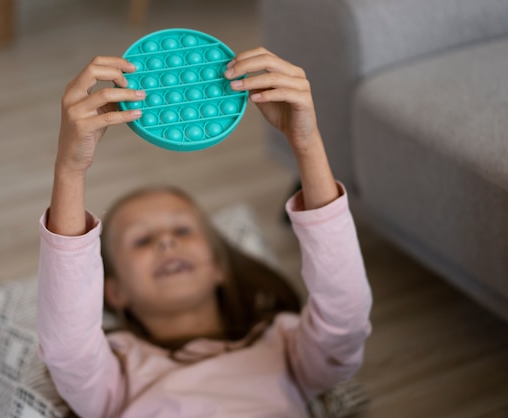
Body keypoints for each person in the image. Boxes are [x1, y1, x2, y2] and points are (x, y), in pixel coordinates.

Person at [37, 47, 372, 418]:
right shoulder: (116, 375)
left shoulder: (284, 345)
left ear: (217, 264)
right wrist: (69, 169)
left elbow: (346, 318)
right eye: (142, 240)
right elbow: (67, 347)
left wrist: (306, 144)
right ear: (113, 291)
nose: (166, 241)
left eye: (182, 230)